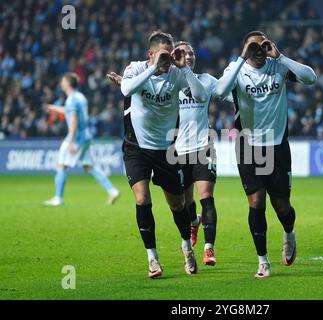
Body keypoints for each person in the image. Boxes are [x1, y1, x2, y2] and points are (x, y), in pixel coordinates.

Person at [107, 41, 233, 267]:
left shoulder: (189, 78)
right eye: (182, 52)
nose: (187, 56)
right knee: (177, 203)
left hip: (201, 145)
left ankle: (207, 249)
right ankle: (155, 256)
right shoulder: (150, 72)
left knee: (205, 198)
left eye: (190, 53)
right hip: (173, 148)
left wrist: (183, 67)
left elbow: (209, 95)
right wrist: (134, 77)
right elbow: (135, 91)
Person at [216, 31, 317, 278]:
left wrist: (279, 56)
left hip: (277, 146)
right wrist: (241, 58)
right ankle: (263, 261)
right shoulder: (236, 69)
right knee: (256, 201)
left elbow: (310, 78)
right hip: (248, 145)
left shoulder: (278, 67)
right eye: (253, 46)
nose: (258, 51)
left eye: (262, 46)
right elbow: (219, 92)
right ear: (245, 48)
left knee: (282, 206)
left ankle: (289, 232)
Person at [120, 31, 207, 278]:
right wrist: (153, 67)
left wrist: (184, 69)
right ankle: (153, 259)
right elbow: (126, 90)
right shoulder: (136, 69)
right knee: (142, 199)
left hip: (165, 148)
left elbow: (201, 96)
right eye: (164, 55)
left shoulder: (177, 74)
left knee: (177, 204)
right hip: (136, 146)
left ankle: (186, 247)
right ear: (151, 54)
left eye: (171, 55)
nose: (169, 60)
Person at [43, 72, 120, 206]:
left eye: (63, 81)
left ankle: (58, 198)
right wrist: (54, 108)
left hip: (76, 137)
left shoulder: (71, 99)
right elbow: (69, 111)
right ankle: (112, 190)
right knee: (88, 166)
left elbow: (73, 120)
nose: (61, 83)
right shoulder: (80, 97)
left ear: (67, 83)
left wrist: (71, 142)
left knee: (61, 164)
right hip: (86, 135)